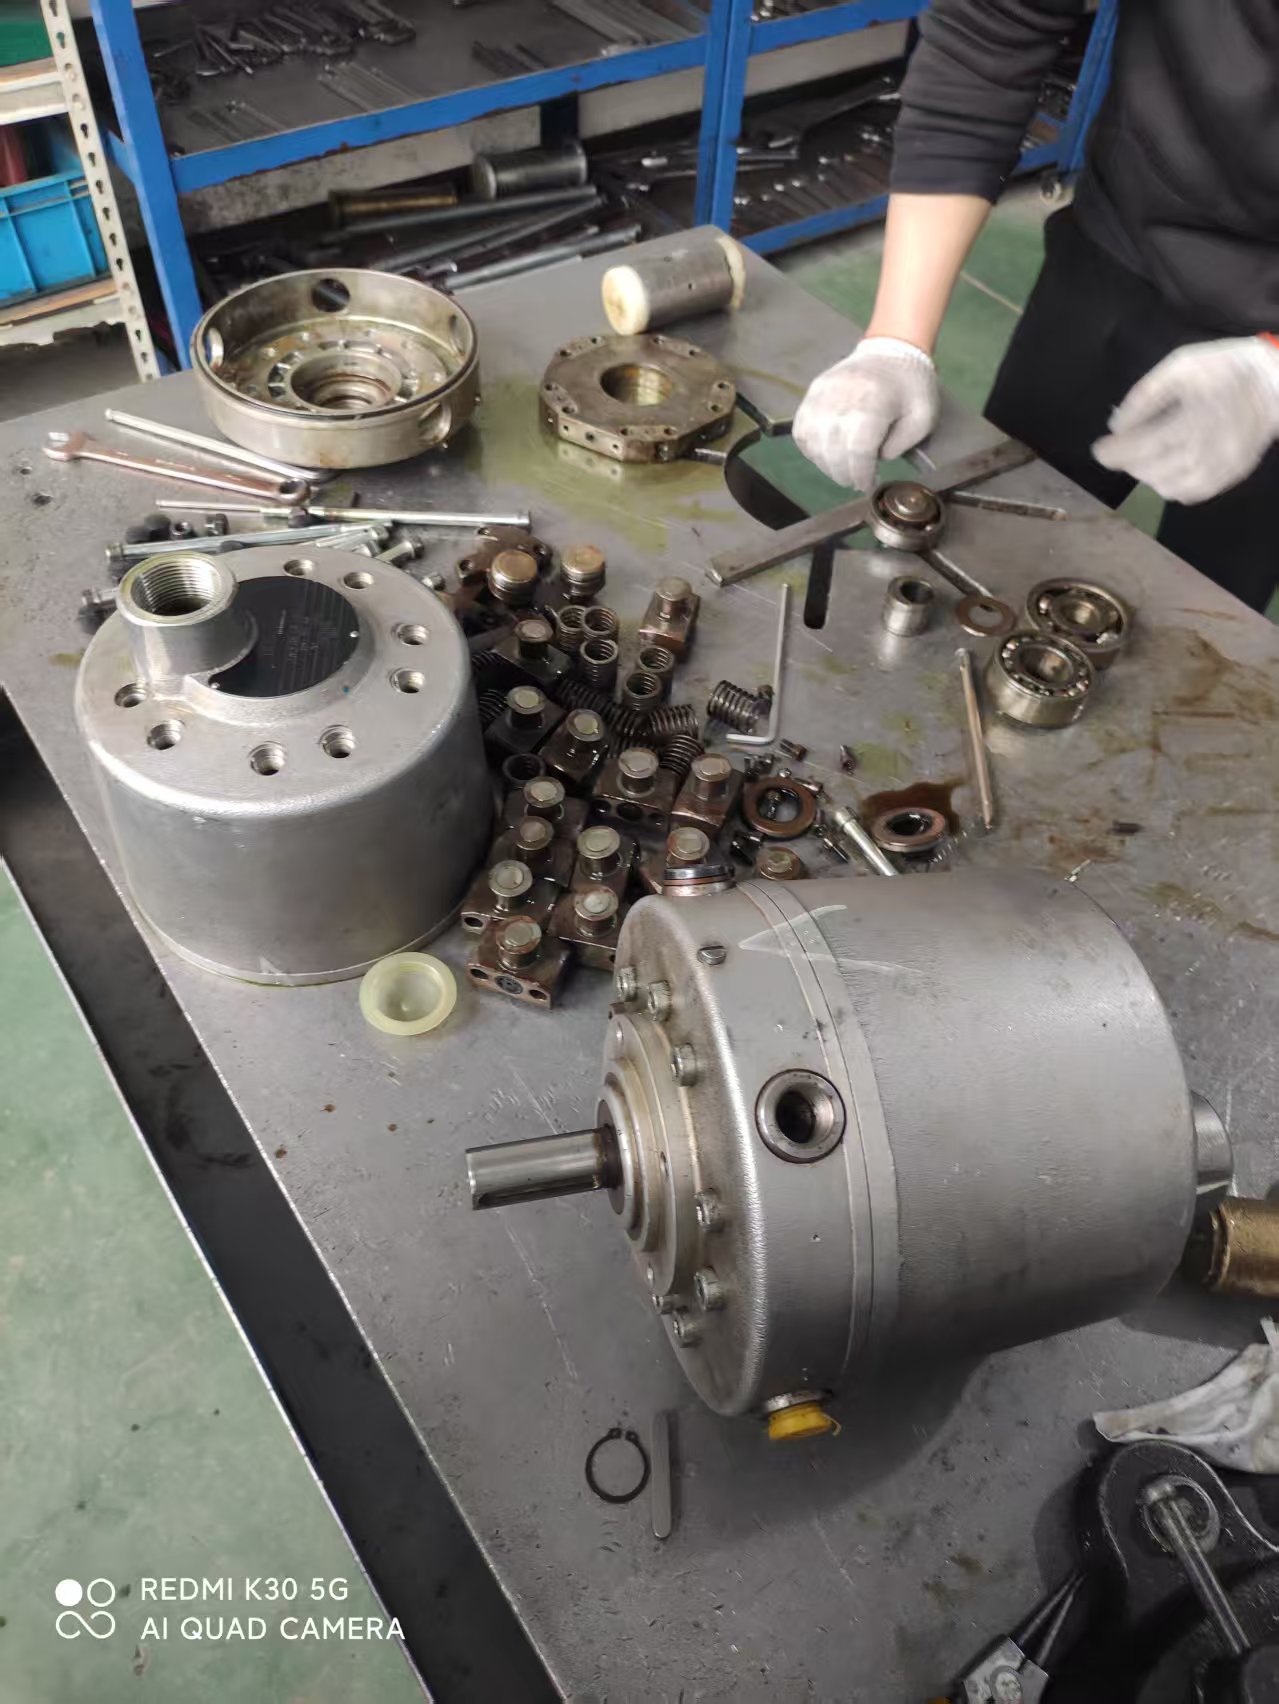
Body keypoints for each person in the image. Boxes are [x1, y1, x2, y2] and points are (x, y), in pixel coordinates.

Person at [792, 0, 1279, 612]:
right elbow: (987, 34)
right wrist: (895, 341)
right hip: (1120, 247)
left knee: (1214, 614)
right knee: (988, 543)